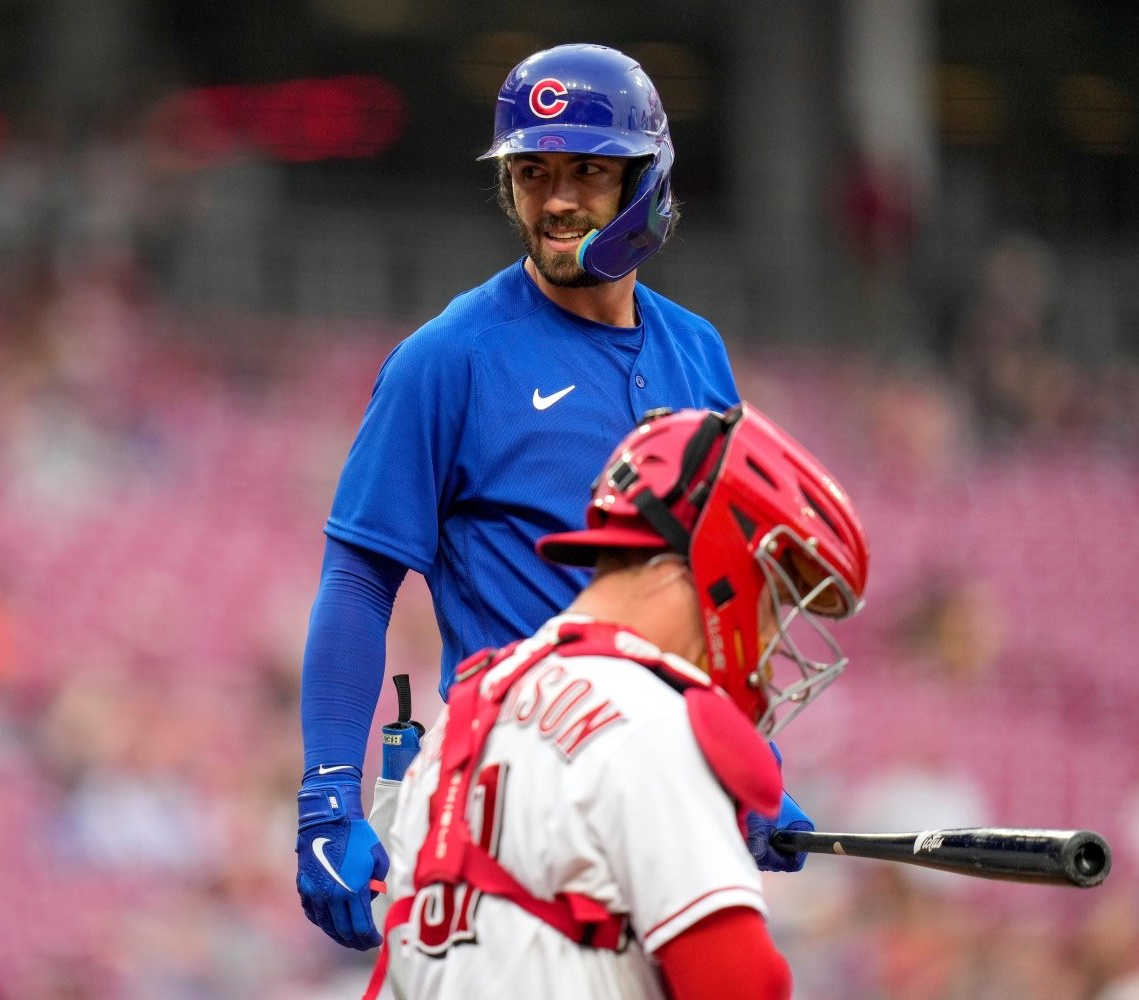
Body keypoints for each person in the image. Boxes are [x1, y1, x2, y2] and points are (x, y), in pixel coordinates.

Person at [295, 43, 810, 952]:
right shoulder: (450, 357)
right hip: (512, 816)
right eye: (532, 171)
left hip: (657, 819)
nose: (558, 199)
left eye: (588, 171)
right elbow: (359, 577)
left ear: (643, 183)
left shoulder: (700, 353)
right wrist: (328, 790)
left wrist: (741, 758)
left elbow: (710, 588)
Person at [366, 403, 870, 999]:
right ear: (716, 558)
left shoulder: (468, 708)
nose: (767, 639)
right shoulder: (661, 727)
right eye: (771, 602)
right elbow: (742, 986)